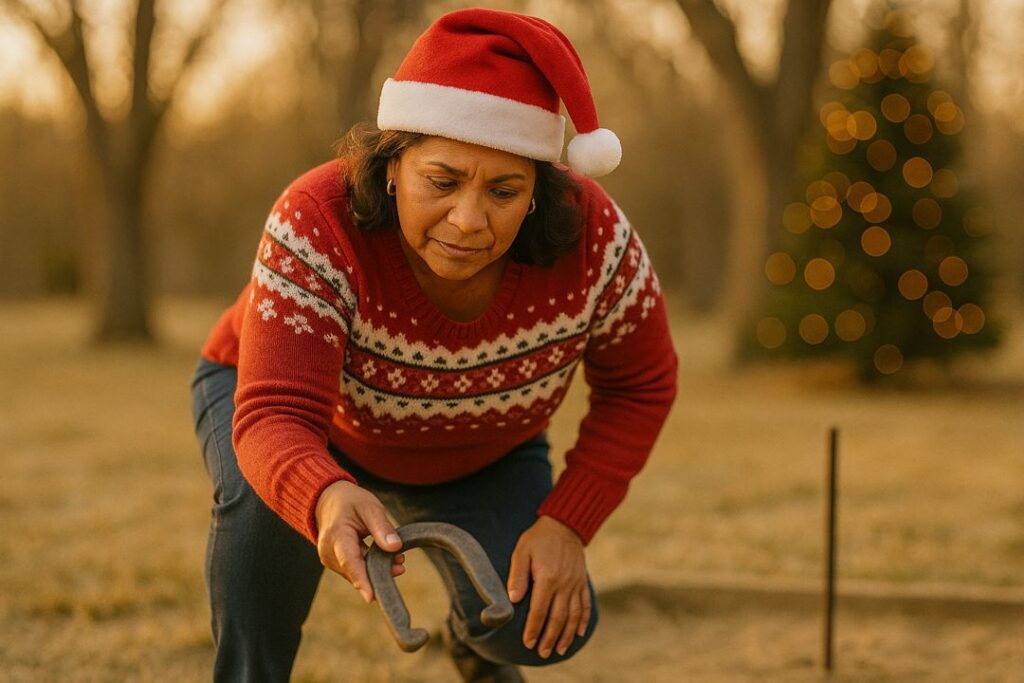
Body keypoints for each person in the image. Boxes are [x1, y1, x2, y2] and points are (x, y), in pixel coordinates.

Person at [190, 7, 677, 682]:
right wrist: (325, 493)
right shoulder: (316, 218)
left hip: (485, 441)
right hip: (303, 417)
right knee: (260, 524)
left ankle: (473, 642)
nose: (469, 219)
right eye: (442, 181)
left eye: (505, 190)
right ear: (392, 166)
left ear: (539, 188)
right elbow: (275, 411)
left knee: (547, 624)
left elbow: (641, 383)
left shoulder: (594, 238)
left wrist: (568, 521)